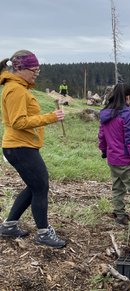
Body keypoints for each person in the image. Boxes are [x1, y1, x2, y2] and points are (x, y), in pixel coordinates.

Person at [0, 50, 66, 248]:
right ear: (19, 69)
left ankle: (9, 226)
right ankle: (44, 233)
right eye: (34, 69)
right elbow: (18, 122)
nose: (37, 73)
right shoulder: (15, 90)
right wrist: (50, 117)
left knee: (35, 185)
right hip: (20, 147)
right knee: (41, 186)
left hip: (23, 146)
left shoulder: (18, 87)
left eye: (38, 69)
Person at [98, 83, 130, 233]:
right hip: (126, 160)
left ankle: (120, 216)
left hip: (112, 159)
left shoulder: (106, 114)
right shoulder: (126, 115)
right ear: (127, 97)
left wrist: (104, 150)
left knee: (118, 188)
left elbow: (101, 135)